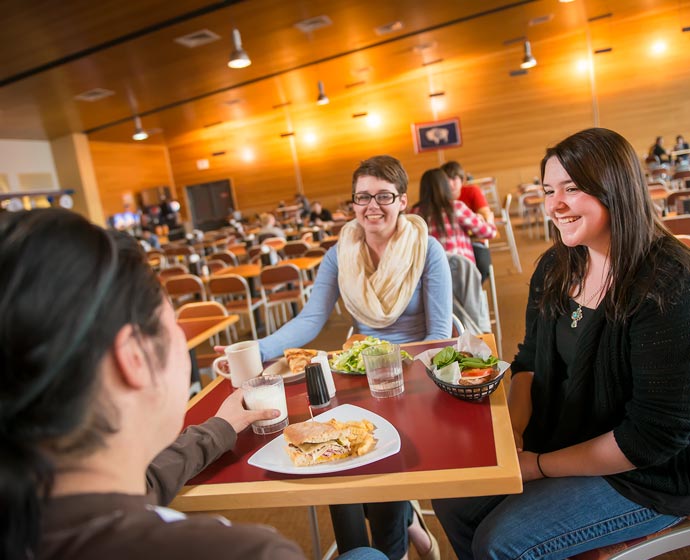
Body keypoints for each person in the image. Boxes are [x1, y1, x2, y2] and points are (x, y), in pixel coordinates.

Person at [0, 208, 386, 560]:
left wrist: (219, 427)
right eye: (175, 329)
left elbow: (148, 481)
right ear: (134, 358)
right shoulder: (248, 551)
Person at [432, 128, 690, 559]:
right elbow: (529, 362)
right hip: (559, 438)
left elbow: (652, 438)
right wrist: (512, 435)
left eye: (572, 188)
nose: (555, 204)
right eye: (549, 190)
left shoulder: (667, 284)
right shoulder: (556, 265)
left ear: (617, 188)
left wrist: (535, 465)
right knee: (454, 500)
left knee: (500, 544)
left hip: (647, 476)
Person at [254, 155, 451, 560]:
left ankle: (391, 546)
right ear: (353, 202)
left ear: (402, 200)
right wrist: (255, 351)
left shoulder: (427, 249)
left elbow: (438, 336)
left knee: (379, 467)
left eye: (383, 196)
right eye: (362, 197)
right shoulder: (339, 253)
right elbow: (310, 320)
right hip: (355, 368)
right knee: (335, 460)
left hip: (411, 372)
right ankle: (363, 550)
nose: (372, 206)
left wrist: (401, 367)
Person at [412, 168, 496, 280]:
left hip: (430, 276)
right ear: (445, 186)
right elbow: (489, 233)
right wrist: (489, 220)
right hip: (461, 273)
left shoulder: (414, 214)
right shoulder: (456, 207)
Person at [441, 161, 496, 283]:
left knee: (481, 265)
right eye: (446, 179)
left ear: (462, 179)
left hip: (474, 241)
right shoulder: (439, 199)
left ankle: (472, 294)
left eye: (454, 178)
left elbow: (485, 215)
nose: (450, 183)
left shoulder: (472, 191)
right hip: (449, 246)